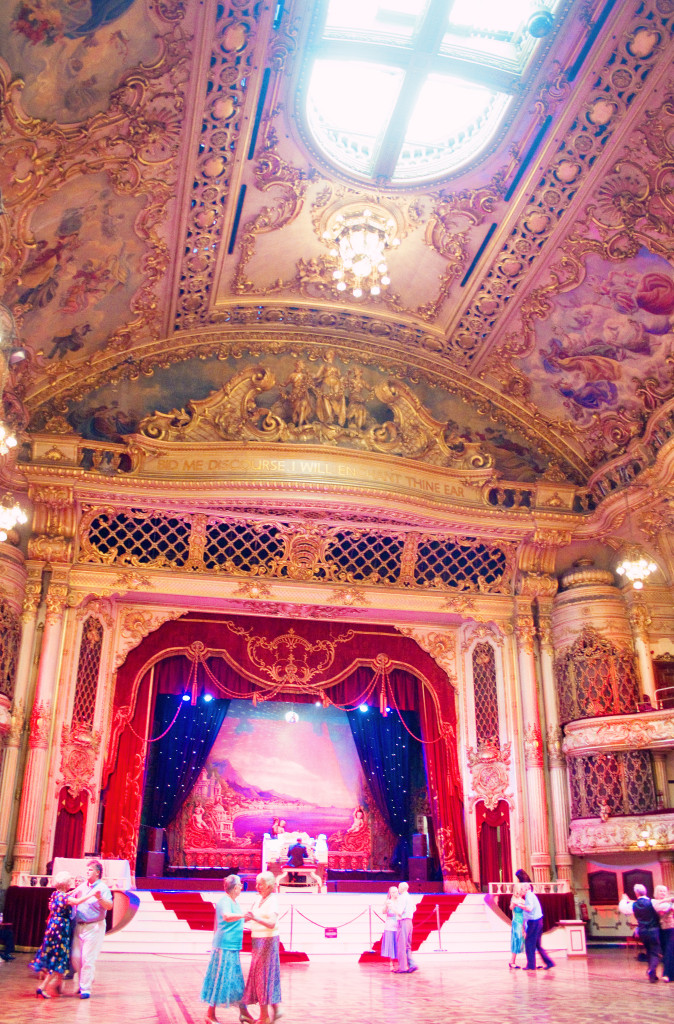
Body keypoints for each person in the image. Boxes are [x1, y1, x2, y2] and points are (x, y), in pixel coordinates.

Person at [202, 875, 254, 1024]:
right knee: (220, 979)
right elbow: (226, 916)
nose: (241, 887)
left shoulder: (234, 902)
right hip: (224, 945)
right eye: (240, 884)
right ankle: (210, 1015)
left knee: (237, 981)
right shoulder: (224, 901)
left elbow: (236, 918)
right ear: (235, 887)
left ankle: (244, 1013)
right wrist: (242, 915)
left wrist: (248, 917)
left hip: (233, 945)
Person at [68, 860, 113, 998]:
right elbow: (71, 895)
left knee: (88, 958)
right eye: (87, 870)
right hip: (79, 925)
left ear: (97, 872)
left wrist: (100, 898)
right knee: (76, 957)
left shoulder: (103, 888)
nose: (87, 872)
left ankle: (85, 988)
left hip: (94, 926)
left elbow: (109, 906)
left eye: (90, 870)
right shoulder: (83, 886)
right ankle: (85, 980)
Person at [243, 871, 282, 1024]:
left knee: (263, 977)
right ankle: (268, 1013)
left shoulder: (273, 900)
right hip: (257, 940)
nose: (258, 887)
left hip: (267, 941)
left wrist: (254, 918)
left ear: (270, 886)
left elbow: (271, 923)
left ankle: (264, 1016)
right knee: (259, 977)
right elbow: (252, 916)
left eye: (261, 885)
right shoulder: (258, 898)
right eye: (257, 884)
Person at [30, 870, 73, 997]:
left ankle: (57, 983)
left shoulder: (55, 895)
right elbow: (76, 901)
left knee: (55, 956)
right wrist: (91, 895)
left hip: (53, 927)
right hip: (60, 929)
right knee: (57, 958)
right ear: (66, 883)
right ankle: (43, 987)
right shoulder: (64, 897)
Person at [619, 884, 670, 982]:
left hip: (642, 932)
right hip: (654, 931)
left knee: (649, 951)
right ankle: (651, 970)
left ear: (636, 893)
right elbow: (664, 907)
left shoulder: (634, 905)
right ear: (646, 892)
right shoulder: (652, 902)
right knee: (655, 952)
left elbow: (623, 908)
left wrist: (624, 899)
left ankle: (652, 975)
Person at [522, 883, 554, 971]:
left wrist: (520, 905)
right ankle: (549, 962)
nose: (521, 890)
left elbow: (529, 908)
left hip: (535, 922)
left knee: (529, 943)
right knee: (537, 945)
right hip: (538, 921)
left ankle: (531, 965)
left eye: (522, 888)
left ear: (527, 889)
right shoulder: (530, 896)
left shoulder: (529, 896)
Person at [394, 881, 418, 974]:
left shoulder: (402, 898)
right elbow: (414, 908)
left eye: (399, 887)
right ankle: (412, 964)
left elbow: (399, 911)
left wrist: (392, 907)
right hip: (409, 922)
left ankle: (403, 967)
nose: (398, 889)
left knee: (401, 945)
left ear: (402, 888)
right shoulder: (409, 897)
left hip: (403, 921)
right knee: (407, 945)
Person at [654, 884, 674, 982]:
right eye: (660, 891)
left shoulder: (669, 902)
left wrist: (668, 901)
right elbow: (660, 910)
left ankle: (667, 974)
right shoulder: (654, 903)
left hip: (671, 929)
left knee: (669, 951)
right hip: (661, 930)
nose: (663, 893)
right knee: (665, 952)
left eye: (664, 891)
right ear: (656, 893)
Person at [509, 882, 526, 968]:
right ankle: (512, 961)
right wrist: (515, 902)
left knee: (525, 941)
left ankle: (530, 961)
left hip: (523, 922)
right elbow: (511, 907)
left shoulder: (523, 901)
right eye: (521, 889)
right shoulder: (514, 898)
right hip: (516, 921)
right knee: (516, 940)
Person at [381, 886, 398, 970]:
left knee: (399, 944)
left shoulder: (400, 901)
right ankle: (391, 964)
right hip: (390, 925)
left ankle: (401, 963)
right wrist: (387, 906)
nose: (395, 893)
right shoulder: (388, 901)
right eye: (393, 892)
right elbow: (383, 912)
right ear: (390, 893)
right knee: (391, 944)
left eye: (396, 891)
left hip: (399, 925)